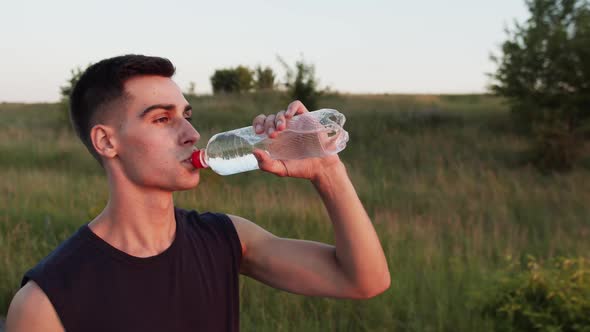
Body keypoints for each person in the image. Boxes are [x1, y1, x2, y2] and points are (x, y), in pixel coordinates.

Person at [5, 55, 390, 332]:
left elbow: (363, 280)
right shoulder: (46, 302)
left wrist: (326, 169)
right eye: (161, 119)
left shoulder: (226, 239)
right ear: (106, 141)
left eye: (186, 115)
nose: (191, 134)